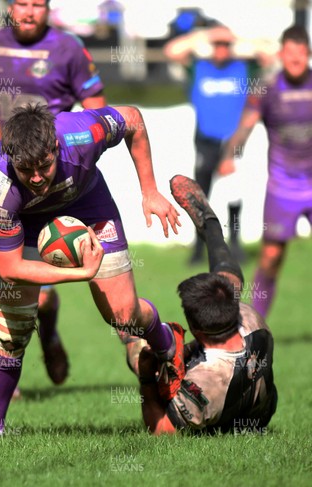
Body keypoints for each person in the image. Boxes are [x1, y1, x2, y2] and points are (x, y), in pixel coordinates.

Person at [0, 103, 184, 438]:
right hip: (23, 222)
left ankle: (168, 345)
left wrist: (149, 191)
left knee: (123, 315)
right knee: (11, 331)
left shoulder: (84, 133)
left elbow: (132, 118)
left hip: (88, 203)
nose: (37, 177)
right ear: (11, 157)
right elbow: (11, 268)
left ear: (56, 147)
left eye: (44, 165)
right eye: (26, 169)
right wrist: (80, 274)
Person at [0, 0, 107, 391]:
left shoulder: (68, 49)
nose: (28, 12)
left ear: (48, 8)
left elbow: (97, 111)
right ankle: (2, 378)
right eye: (20, 4)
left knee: (41, 299)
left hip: (49, 188)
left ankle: (49, 332)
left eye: (37, 5)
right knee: (2, 289)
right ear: (8, 7)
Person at [134, 174, 277, 435]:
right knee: (228, 284)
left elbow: (162, 431)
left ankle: (129, 336)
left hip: (227, 421)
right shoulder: (253, 320)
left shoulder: (205, 383)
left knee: (138, 351)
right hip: (260, 408)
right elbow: (228, 290)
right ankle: (211, 227)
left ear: (196, 329)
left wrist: (145, 376)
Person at [219, 25, 312, 319]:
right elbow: (245, 128)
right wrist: (230, 156)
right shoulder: (267, 89)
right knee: (271, 257)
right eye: (290, 53)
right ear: (281, 54)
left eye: (301, 54)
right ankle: (254, 325)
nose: (295, 59)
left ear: (308, 54)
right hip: (283, 188)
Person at [164, 24, 271, 265]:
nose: (221, 49)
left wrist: (238, 37)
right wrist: (206, 34)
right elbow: (172, 51)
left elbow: (268, 57)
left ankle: (234, 243)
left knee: (234, 192)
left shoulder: (243, 67)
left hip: (234, 142)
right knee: (200, 193)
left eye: (226, 45)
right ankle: (199, 246)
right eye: (217, 45)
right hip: (206, 139)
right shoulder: (198, 67)